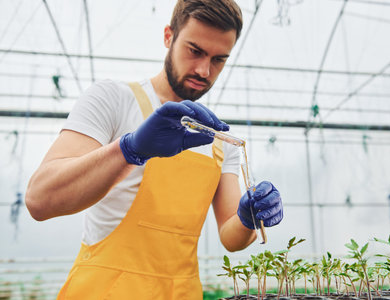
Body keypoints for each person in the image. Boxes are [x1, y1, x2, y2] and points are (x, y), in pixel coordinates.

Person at [25, 0, 283, 299]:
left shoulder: (220, 140)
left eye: (219, 59)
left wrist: (249, 219)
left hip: (183, 292)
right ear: (168, 36)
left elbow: (230, 236)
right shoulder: (113, 99)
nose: (204, 69)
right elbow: (40, 200)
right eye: (195, 50)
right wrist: (129, 149)